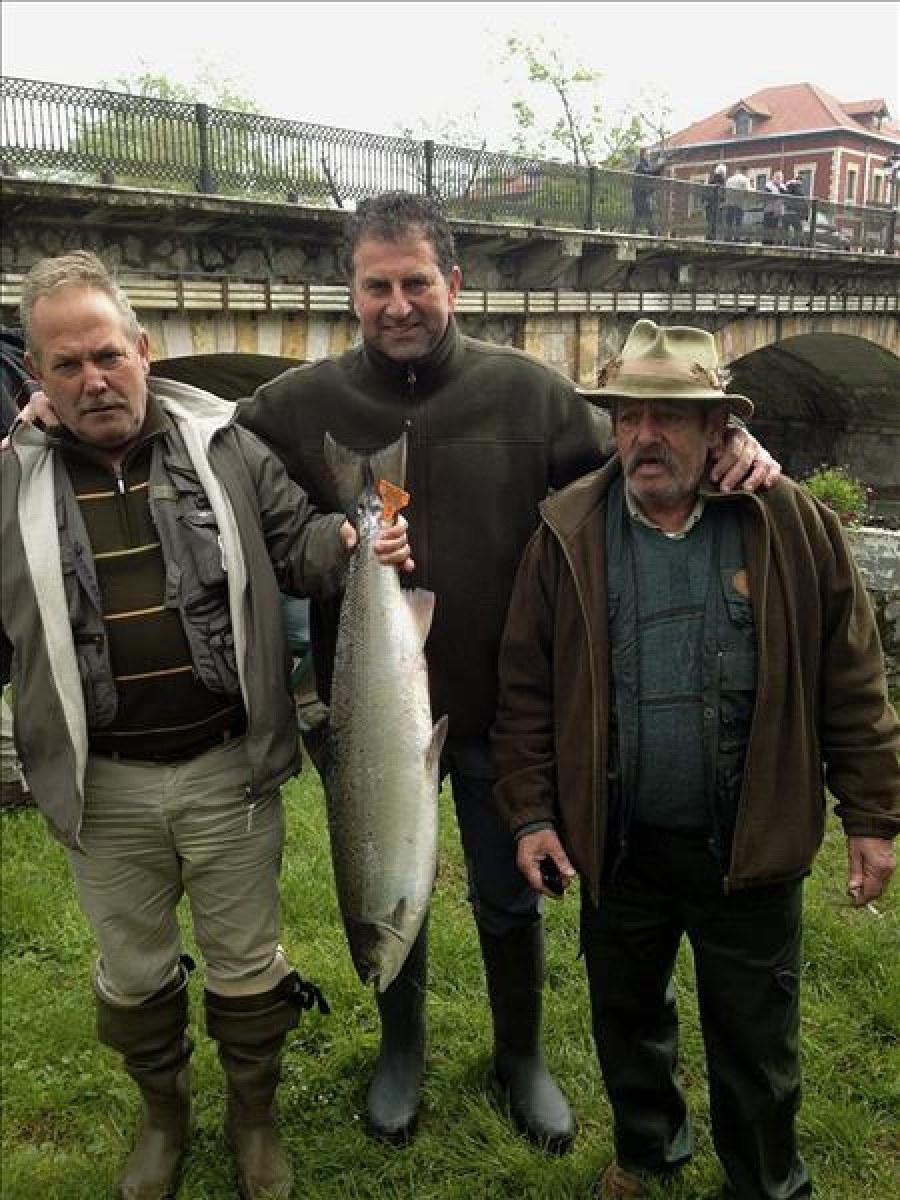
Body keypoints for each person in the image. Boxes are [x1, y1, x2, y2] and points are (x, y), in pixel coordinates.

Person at [235, 191, 782, 1153]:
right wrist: (40, 400)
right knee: (381, 871)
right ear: (350, 292)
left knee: (507, 889)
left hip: (504, 705)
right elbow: (204, 436)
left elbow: (638, 460)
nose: (397, 304)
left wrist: (731, 440)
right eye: (376, 287)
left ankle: (520, 1053)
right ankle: (399, 1048)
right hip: (368, 708)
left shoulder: (530, 394)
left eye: (416, 283)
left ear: (455, 282)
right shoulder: (296, 406)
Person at [0, 250, 412, 1200]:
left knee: (245, 964)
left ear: (143, 350)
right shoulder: (9, 487)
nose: (93, 379)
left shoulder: (225, 447)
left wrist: (352, 539)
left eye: (107, 354)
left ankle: (254, 1119)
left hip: (229, 766)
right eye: (67, 366)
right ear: (38, 377)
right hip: (99, 786)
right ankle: (163, 1115)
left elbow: (298, 542)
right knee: (135, 975)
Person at [491, 319, 900, 1200]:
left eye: (671, 417)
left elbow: (854, 681)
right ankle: (649, 1151)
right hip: (619, 840)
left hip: (747, 848)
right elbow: (524, 692)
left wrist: (871, 816)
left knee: (757, 1040)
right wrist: (529, 812)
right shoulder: (566, 535)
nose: (645, 435)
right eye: (630, 415)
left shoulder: (790, 523)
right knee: (627, 1021)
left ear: (721, 430)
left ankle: (763, 1182)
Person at [630, 148, 666, 236]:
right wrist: (659, 166)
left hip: (642, 194)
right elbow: (648, 173)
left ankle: (632, 233)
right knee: (647, 214)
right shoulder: (640, 166)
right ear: (643, 155)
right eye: (647, 154)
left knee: (638, 215)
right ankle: (653, 234)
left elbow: (653, 174)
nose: (649, 156)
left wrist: (660, 167)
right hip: (639, 194)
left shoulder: (645, 165)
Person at [724, 164, 751, 241]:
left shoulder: (729, 179)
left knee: (729, 221)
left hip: (729, 203)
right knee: (738, 221)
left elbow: (726, 191)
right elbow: (748, 192)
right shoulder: (745, 179)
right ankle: (736, 238)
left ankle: (727, 237)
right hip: (739, 204)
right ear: (745, 171)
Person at [704, 163, 728, 241]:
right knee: (715, 223)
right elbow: (723, 194)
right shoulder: (721, 181)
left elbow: (705, 194)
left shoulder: (711, 181)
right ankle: (714, 239)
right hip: (715, 205)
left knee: (709, 222)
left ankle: (708, 238)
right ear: (722, 172)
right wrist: (723, 201)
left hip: (709, 205)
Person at [763, 170, 787, 242]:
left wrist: (780, 188)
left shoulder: (783, 187)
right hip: (769, 211)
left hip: (778, 212)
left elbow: (785, 197)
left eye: (780, 177)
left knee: (776, 229)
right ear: (773, 177)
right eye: (777, 177)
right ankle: (765, 243)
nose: (779, 179)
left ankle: (773, 243)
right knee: (767, 228)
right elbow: (766, 197)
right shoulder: (768, 186)